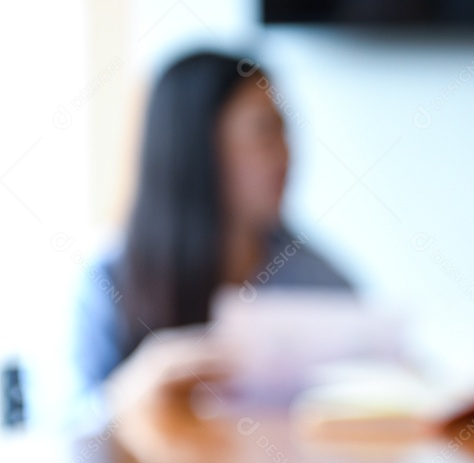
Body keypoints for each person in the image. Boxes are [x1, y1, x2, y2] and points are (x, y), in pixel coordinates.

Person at [73, 51, 352, 420]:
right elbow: (65, 428)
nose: (286, 155)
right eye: (263, 133)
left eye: (284, 131)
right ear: (197, 147)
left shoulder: (318, 280)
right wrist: (131, 394)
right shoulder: (108, 280)